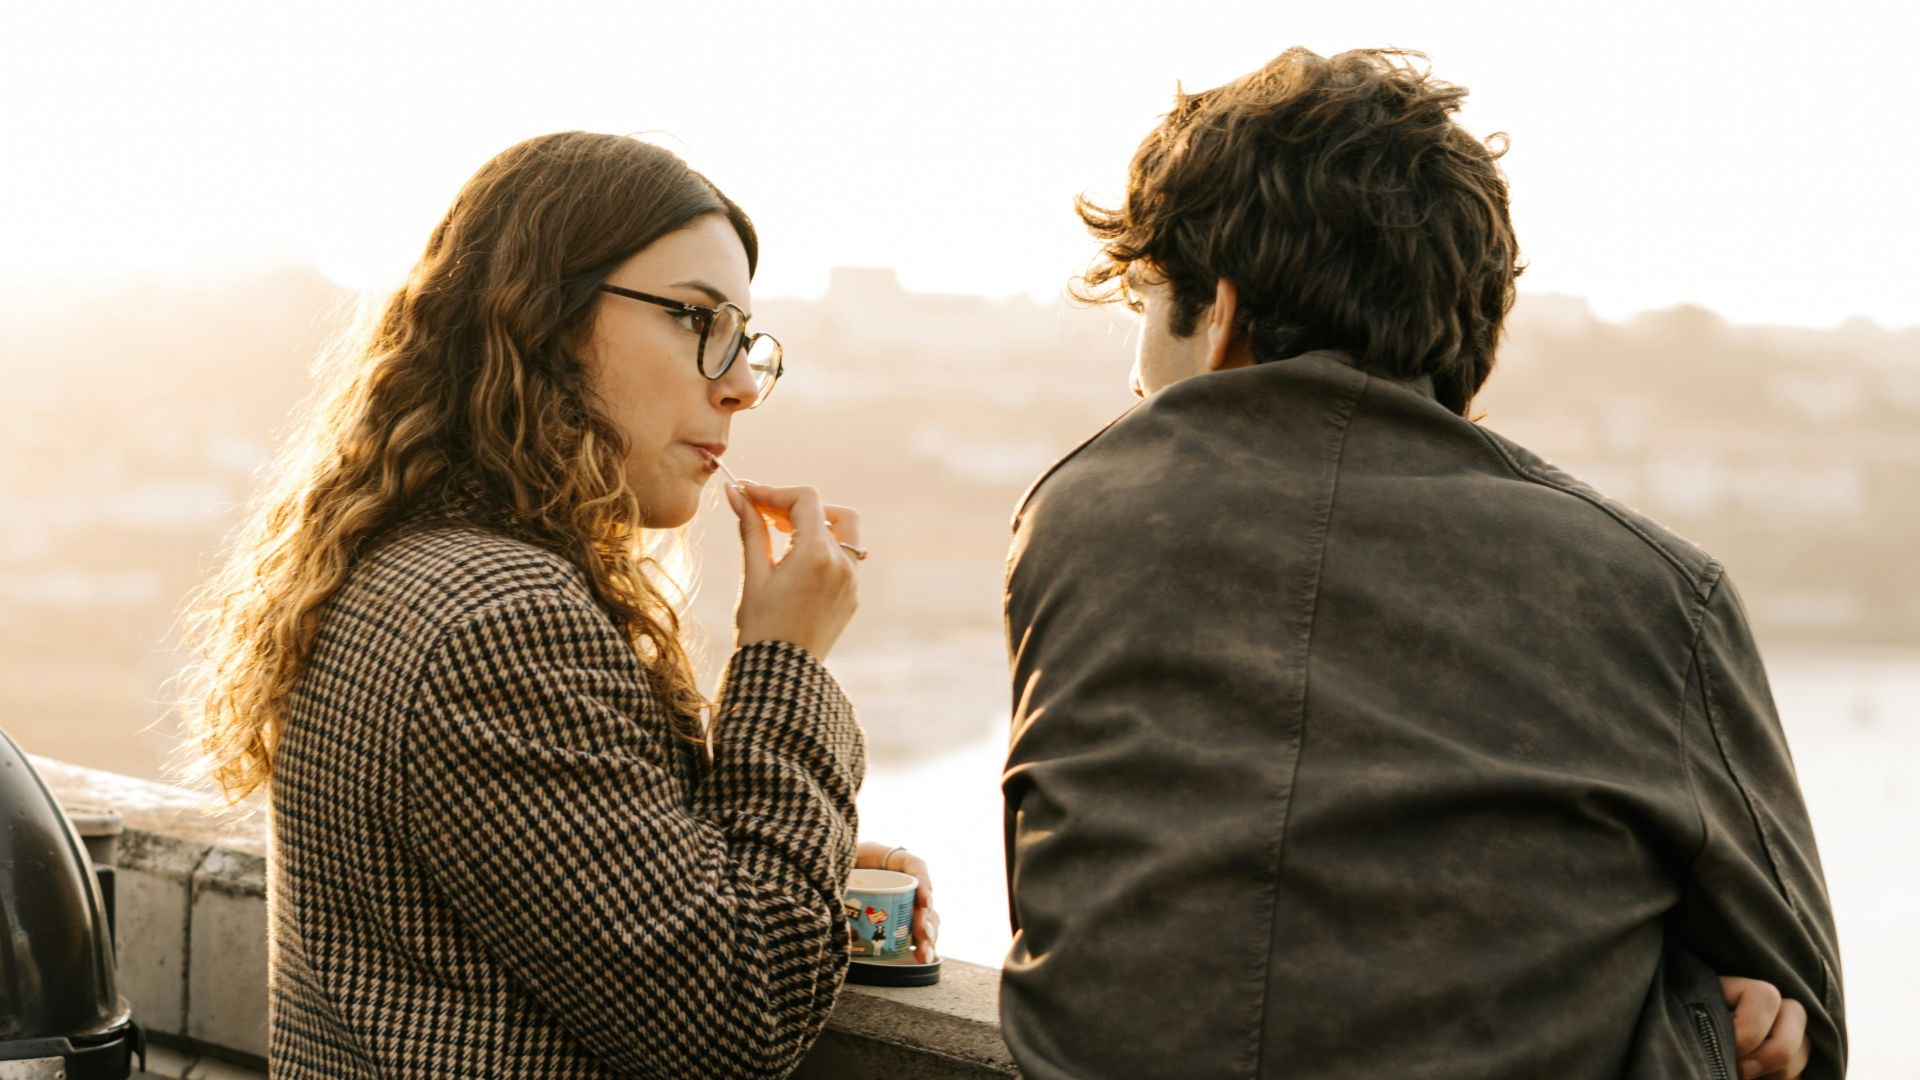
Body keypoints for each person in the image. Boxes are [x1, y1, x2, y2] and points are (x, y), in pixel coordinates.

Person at [1001, 48, 1842, 1079]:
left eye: (1142, 308)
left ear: (1214, 316)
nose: (1135, 380)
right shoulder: (1655, 592)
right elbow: (1806, 1011)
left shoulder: (1078, 515)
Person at [176, 131, 935, 1079]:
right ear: (542, 320)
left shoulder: (406, 561)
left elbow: (537, 865)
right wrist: (787, 662)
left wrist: (796, 855)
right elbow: (738, 1023)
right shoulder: (501, 618)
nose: (740, 386)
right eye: (698, 320)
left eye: (744, 340)